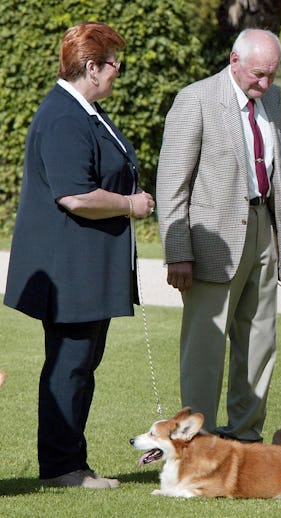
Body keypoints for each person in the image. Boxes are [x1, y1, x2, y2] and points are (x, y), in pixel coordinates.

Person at [3, 21, 155, 489]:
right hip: (71, 268)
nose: (116, 75)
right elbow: (74, 196)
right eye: (113, 66)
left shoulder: (86, 110)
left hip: (87, 265)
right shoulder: (65, 116)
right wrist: (131, 204)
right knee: (70, 367)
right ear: (91, 67)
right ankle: (62, 468)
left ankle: (72, 462)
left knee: (80, 366)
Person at [156, 29, 281, 443]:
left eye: (273, 75)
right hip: (211, 243)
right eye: (259, 74)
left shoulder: (271, 99)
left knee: (260, 340)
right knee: (205, 347)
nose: (266, 84)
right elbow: (172, 185)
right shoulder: (196, 99)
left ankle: (246, 435)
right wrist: (177, 251)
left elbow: (279, 175)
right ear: (234, 60)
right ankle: (197, 440)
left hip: (264, 231)